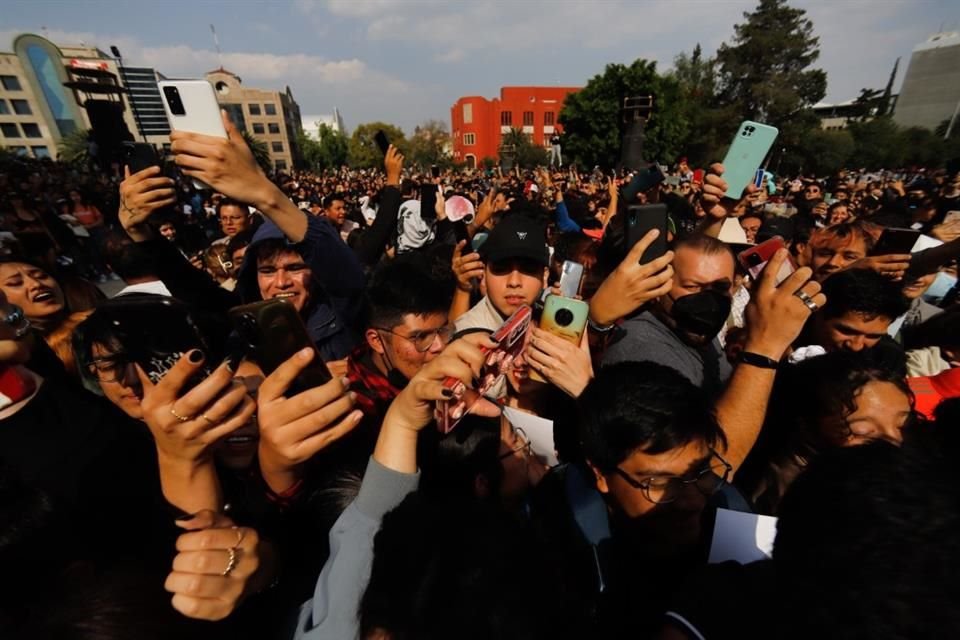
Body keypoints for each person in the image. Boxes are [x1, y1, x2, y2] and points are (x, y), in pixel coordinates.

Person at [736, 348, 914, 514]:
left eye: (903, 425)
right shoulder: (791, 497)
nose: (894, 440)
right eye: (863, 432)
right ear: (806, 428)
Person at [601, 233, 736, 392]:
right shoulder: (642, 347)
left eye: (721, 287)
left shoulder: (699, 330)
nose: (710, 301)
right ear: (659, 284)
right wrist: (758, 350)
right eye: (692, 287)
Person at [454, 212, 549, 334]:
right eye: (501, 268)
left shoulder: (552, 325)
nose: (514, 282)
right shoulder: (467, 335)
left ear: (545, 276)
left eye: (528, 269)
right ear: (483, 275)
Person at [795, 268, 909, 355]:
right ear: (818, 314)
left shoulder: (888, 360)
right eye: (847, 331)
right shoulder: (786, 342)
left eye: (873, 336)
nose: (856, 346)